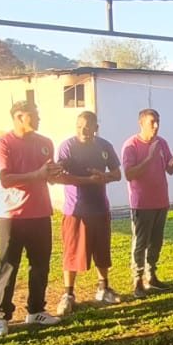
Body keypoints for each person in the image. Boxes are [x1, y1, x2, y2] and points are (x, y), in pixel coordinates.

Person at [0, 99, 63, 335]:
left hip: (41, 212)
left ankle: (36, 310)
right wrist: (38, 174)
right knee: (8, 266)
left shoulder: (45, 143)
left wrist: (53, 174)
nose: (39, 118)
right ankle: (1, 316)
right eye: (34, 114)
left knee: (40, 265)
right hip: (12, 215)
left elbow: (46, 177)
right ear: (20, 117)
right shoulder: (2, 144)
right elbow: (5, 179)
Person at [54, 110, 123, 314]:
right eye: (79, 126)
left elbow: (117, 174)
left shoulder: (105, 146)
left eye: (87, 126)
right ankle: (68, 294)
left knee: (102, 251)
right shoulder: (68, 146)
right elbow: (62, 174)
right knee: (72, 252)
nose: (83, 130)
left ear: (95, 128)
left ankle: (103, 288)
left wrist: (105, 176)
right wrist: (87, 180)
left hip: (100, 207)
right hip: (76, 210)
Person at [121, 108, 173, 296]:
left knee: (156, 242)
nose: (156, 126)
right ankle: (137, 281)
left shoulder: (161, 143)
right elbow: (129, 175)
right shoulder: (131, 145)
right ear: (141, 123)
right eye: (151, 122)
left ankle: (151, 275)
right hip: (142, 203)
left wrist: (171, 165)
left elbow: (169, 170)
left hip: (161, 201)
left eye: (158, 122)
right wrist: (148, 158)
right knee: (140, 243)